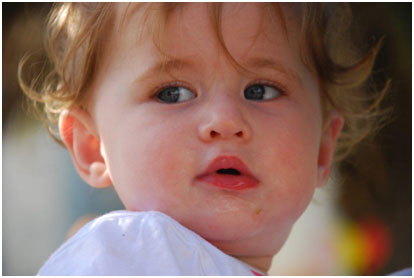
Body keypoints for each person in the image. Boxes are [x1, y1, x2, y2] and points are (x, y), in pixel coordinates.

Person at [19, 3, 392, 275]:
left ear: (321, 151)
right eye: (173, 94)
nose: (226, 121)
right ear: (91, 146)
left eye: (261, 90)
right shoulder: (128, 255)